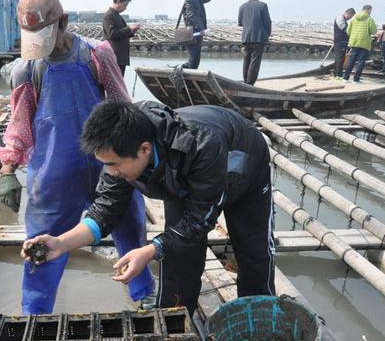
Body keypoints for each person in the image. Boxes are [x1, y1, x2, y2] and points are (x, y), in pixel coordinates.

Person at [24, 100, 275, 317]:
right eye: (105, 165)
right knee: (178, 255)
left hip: (245, 171)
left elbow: (200, 220)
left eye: (113, 165)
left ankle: (260, 322)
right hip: (183, 179)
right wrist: (61, 243)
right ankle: (174, 323)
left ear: (144, 150)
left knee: (254, 255)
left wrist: (150, 249)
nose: (110, 173)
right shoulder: (122, 149)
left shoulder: (202, 144)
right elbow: (104, 211)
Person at [0, 0, 154, 314]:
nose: (43, 50)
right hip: (54, 176)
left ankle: (144, 295)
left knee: (130, 228)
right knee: (42, 246)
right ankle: (35, 313)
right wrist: (8, 169)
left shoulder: (96, 55)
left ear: (64, 22)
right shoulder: (26, 70)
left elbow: (123, 107)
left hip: (108, 167)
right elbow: (19, 124)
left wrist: (139, 160)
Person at [238, 0, 272, 85]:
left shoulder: (242, 6)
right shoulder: (263, 5)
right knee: (255, 61)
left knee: (246, 59)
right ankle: (250, 83)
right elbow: (267, 22)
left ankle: (245, 82)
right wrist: (267, 34)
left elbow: (240, 23)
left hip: (246, 37)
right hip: (259, 38)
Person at [103, 0, 140, 76]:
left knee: (119, 84)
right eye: (125, 5)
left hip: (120, 57)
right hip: (114, 56)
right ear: (118, 2)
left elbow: (120, 33)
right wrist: (129, 29)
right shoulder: (109, 16)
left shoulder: (116, 15)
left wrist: (131, 31)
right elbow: (112, 34)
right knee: (116, 84)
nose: (125, 8)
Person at [343, 4, 377, 83]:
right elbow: (374, 31)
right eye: (370, 11)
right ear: (368, 10)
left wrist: (354, 35)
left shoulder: (354, 18)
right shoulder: (369, 19)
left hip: (354, 42)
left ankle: (345, 77)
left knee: (351, 60)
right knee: (361, 61)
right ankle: (356, 79)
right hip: (364, 43)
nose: (370, 13)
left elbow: (348, 31)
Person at [180, 0, 212, 69]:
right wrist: (201, 29)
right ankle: (188, 78)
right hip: (193, 33)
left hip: (197, 33)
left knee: (195, 58)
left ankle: (184, 71)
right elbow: (191, 16)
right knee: (194, 59)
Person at [333, 8, 356, 79]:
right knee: (340, 58)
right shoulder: (340, 18)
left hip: (341, 41)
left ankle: (336, 73)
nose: (350, 18)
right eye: (350, 16)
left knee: (339, 57)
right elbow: (344, 29)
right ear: (347, 13)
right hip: (340, 41)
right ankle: (339, 74)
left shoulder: (343, 19)